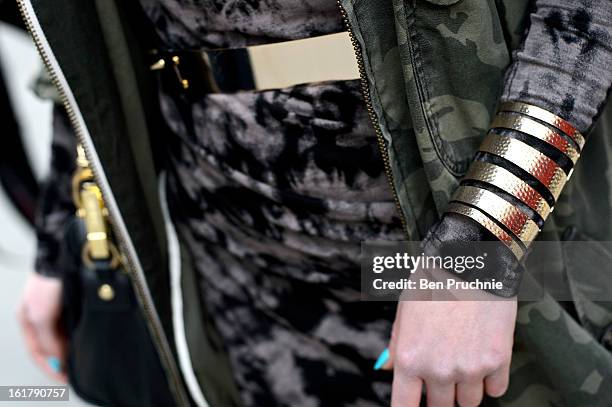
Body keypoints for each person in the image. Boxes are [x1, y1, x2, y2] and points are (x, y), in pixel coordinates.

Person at [16, 0, 612, 405]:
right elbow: (89, 36)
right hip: (229, 264)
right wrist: (67, 229)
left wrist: (479, 247)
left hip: (438, 253)